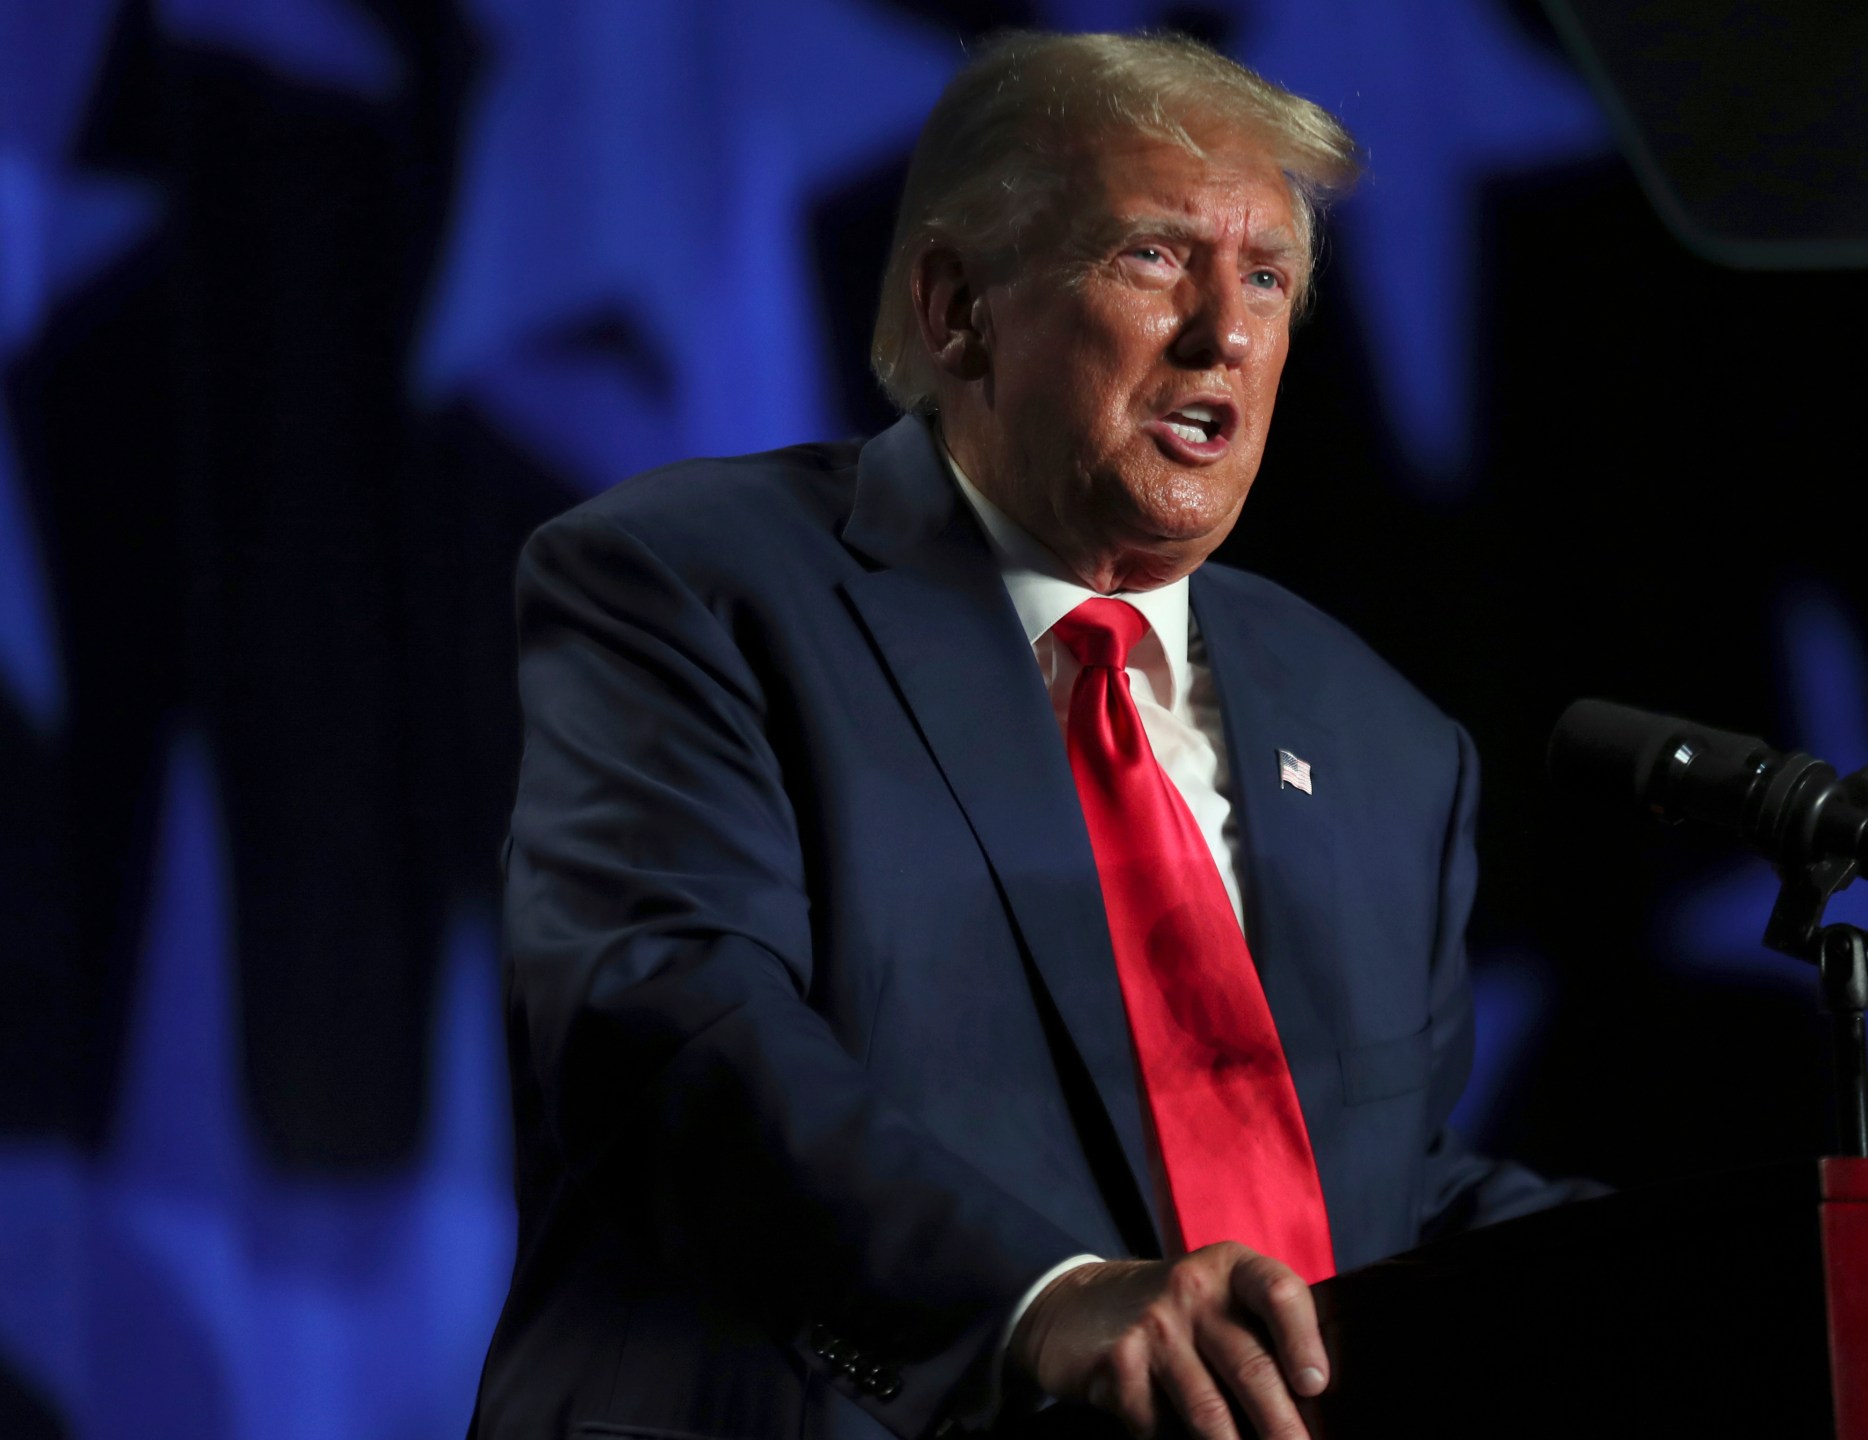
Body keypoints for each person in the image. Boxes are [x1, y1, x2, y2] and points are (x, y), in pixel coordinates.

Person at [471, 31, 1596, 1440]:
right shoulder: (696, 585)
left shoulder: (1379, 732)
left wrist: (1715, 1275)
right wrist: (1043, 1298)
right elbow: (668, 1024)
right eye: (1152, 257)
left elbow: (1367, 1189)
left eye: (1265, 278)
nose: (1226, 333)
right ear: (957, 310)